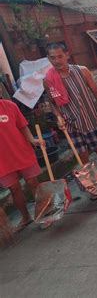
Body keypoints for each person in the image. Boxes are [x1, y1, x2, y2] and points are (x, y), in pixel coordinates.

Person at [44, 43, 97, 199]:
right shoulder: (48, 79)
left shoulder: (82, 71)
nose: (57, 60)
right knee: (82, 155)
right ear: (48, 58)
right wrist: (58, 116)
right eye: (52, 57)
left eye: (60, 56)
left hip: (91, 118)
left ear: (67, 55)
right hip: (71, 123)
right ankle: (92, 185)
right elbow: (52, 103)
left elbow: (96, 92)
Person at [0, 98, 43, 232]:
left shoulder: (10, 106)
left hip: (21, 150)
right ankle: (26, 217)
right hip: (2, 159)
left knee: (32, 183)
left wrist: (32, 140)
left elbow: (23, 126)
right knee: (14, 189)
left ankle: (45, 213)